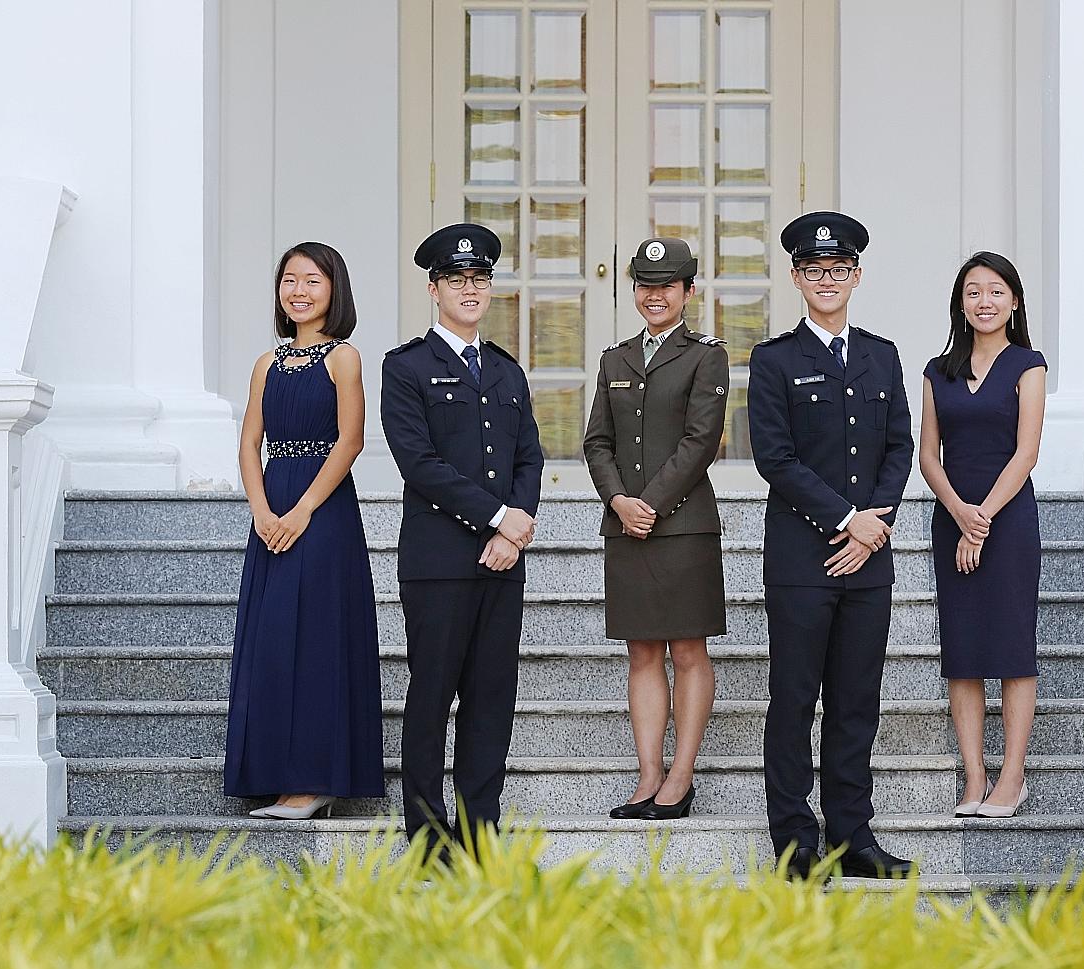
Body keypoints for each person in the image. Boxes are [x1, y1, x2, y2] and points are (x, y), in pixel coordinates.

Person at [748, 211, 915, 879]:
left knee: (855, 703)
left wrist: (877, 523)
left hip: (869, 563)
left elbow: (900, 445)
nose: (827, 280)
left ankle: (853, 838)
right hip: (802, 560)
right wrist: (850, 518)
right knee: (794, 701)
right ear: (796, 277)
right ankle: (795, 842)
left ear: (856, 276)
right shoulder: (773, 360)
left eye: (838, 270)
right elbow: (776, 458)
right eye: (814, 270)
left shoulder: (883, 354)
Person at [380, 223, 544, 858]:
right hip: (440, 562)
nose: (470, 290)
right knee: (431, 695)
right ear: (434, 288)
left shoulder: (505, 371)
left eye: (480, 280)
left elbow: (529, 455)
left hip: (503, 562)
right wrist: (499, 516)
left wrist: (518, 522)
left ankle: (480, 829)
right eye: (458, 280)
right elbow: (419, 464)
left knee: (490, 698)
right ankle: (426, 831)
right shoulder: (407, 367)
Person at [224, 241, 385, 819]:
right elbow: (249, 442)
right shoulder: (266, 364)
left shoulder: (344, 357)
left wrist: (302, 511)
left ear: (333, 289)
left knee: (317, 637)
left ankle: (315, 781)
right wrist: (262, 510)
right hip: (272, 509)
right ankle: (272, 774)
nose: (298, 291)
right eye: (289, 280)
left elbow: (351, 440)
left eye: (311, 281)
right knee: (271, 640)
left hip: (323, 510)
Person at [583, 237, 729, 821]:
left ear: (688, 291)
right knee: (642, 651)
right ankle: (647, 775)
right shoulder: (614, 359)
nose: (655, 295)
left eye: (667, 285)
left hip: (685, 527)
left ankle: (680, 776)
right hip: (626, 527)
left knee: (688, 650)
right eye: (645, 285)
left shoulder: (706, 356)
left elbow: (701, 442)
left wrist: (650, 503)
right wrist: (619, 500)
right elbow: (597, 440)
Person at [919, 251, 1046, 819]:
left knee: (1013, 650)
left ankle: (1012, 778)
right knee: (963, 653)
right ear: (960, 303)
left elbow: (1026, 452)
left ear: (1013, 301)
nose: (985, 302)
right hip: (952, 517)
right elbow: (928, 457)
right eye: (974, 292)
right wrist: (960, 515)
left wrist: (983, 518)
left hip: (1009, 518)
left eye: (996, 291)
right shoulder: (936, 371)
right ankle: (973, 778)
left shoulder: (1028, 364)